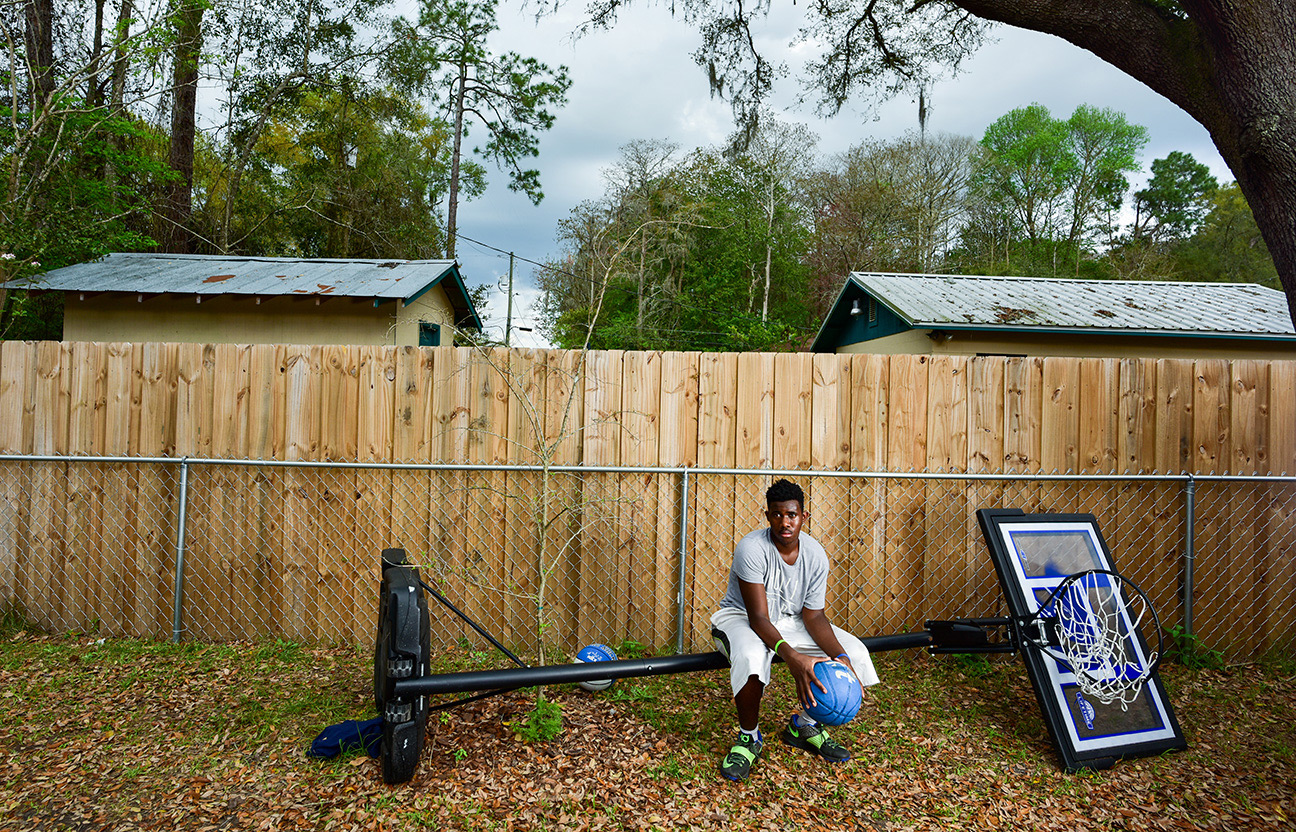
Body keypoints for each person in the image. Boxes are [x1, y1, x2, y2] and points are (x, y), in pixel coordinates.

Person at [710, 478, 880, 781]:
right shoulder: (751, 548)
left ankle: (803, 726)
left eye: (791, 515)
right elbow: (759, 619)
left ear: (804, 517)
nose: (784, 522)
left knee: (854, 651)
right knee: (751, 657)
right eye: (777, 514)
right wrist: (792, 656)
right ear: (767, 516)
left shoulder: (815, 554)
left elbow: (814, 617)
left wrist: (839, 656)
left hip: (791, 619)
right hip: (740, 616)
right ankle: (749, 737)